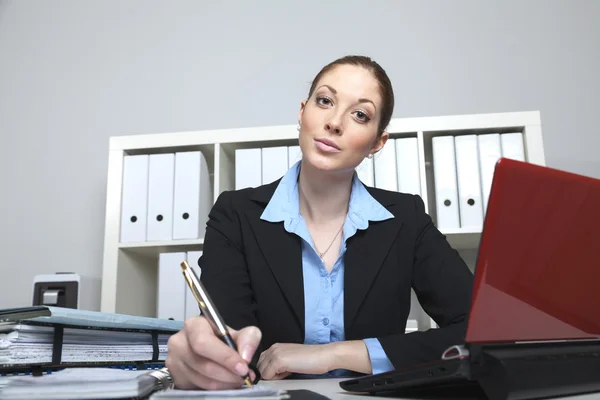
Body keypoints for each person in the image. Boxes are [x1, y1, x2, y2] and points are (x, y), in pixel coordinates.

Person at [165, 55, 474, 390]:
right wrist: (204, 360)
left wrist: (336, 354)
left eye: (360, 114)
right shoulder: (235, 214)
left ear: (377, 143)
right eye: (325, 101)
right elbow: (232, 345)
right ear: (302, 112)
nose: (335, 122)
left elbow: (479, 330)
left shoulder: (406, 219)